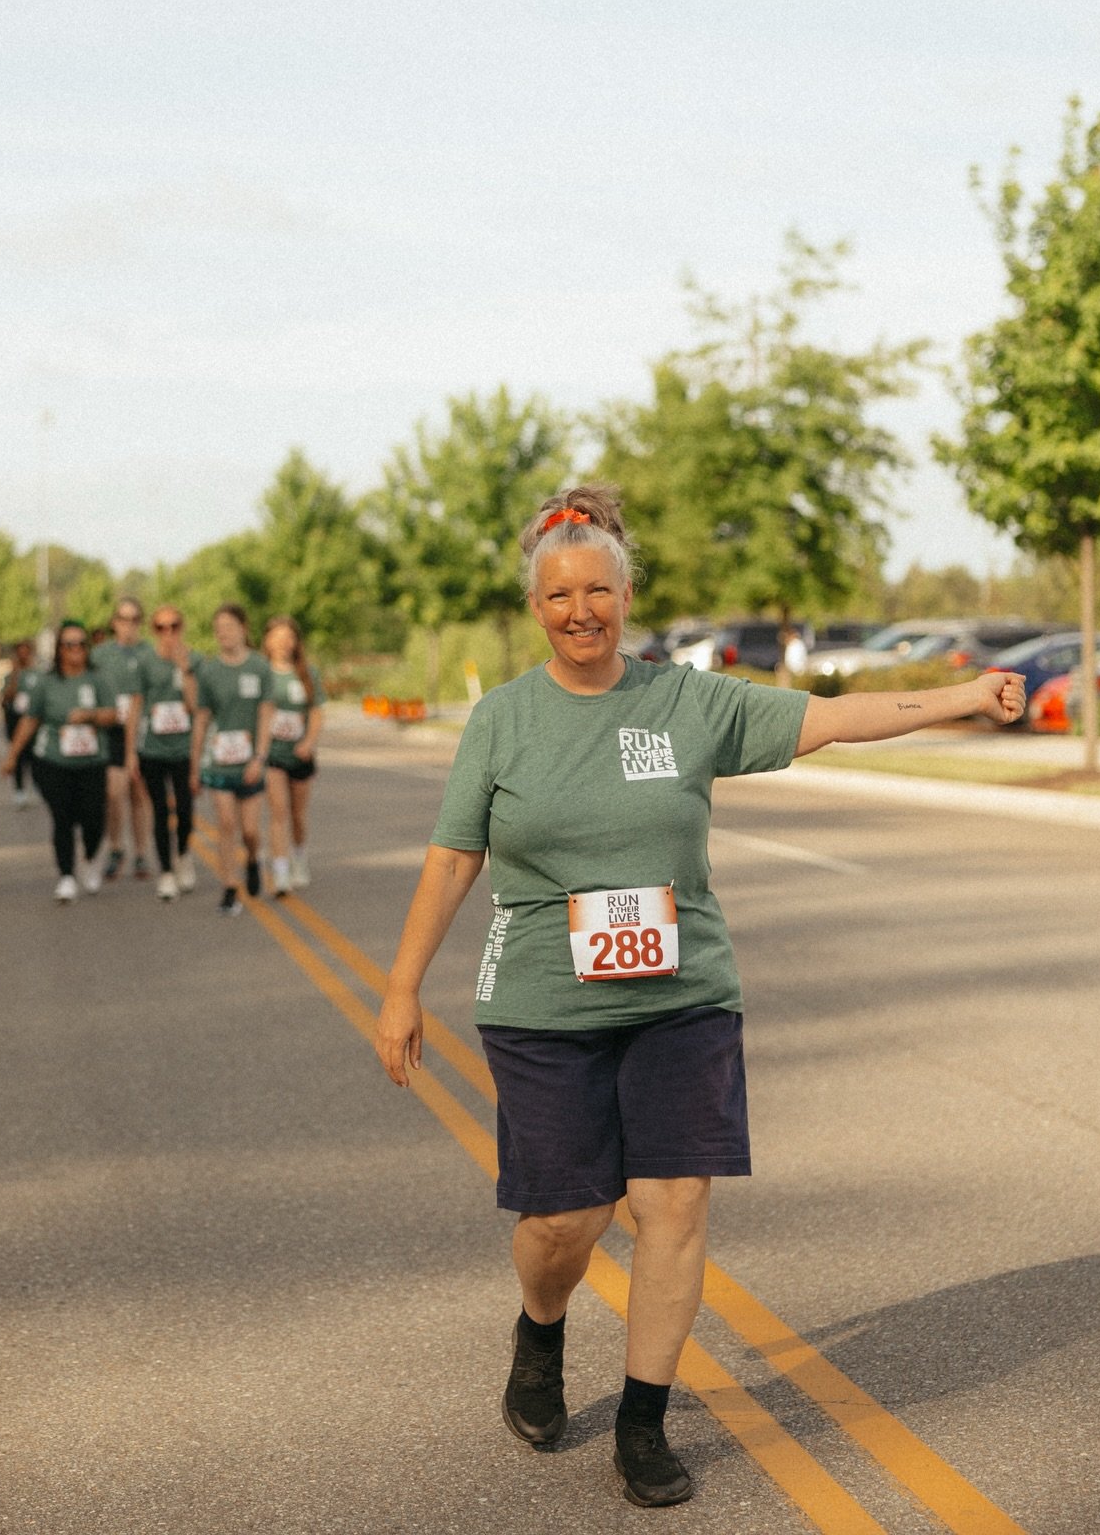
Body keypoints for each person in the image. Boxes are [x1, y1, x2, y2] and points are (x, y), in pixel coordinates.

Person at [375, 484, 1026, 1511]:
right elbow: (454, 857)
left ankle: (644, 1420)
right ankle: (540, 1335)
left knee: (674, 1204)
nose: (580, 610)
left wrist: (961, 699)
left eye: (598, 590)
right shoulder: (502, 721)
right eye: (558, 596)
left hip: (682, 994)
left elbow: (834, 715)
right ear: (534, 606)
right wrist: (401, 988)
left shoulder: (689, 702)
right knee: (566, 1218)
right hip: (546, 1003)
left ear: (628, 594)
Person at [2, 620, 119, 901]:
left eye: (81, 644)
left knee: (93, 818)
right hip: (53, 760)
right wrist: (12, 756)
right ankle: (66, 875)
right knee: (62, 818)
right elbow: (31, 719)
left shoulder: (98, 679)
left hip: (91, 761)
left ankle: (91, 858)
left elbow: (113, 715)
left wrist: (89, 716)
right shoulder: (47, 682)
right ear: (59, 649)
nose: (76, 649)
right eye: (69, 644)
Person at [191, 603, 273, 914]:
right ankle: (229, 885)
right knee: (226, 824)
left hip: (250, 762)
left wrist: (259, 757)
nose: (223, 633)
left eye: (228, 626)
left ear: (243, 628)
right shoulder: (210, 670)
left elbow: (266, 714)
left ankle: (253, 859)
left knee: (250, 831)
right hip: (219, 761)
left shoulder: (259, 667)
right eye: (218, 628)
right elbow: (201, 718)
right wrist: (195, 763)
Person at [126, 607, 201, 900]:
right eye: (161, 627)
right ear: (153, 629)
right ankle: (167, 872)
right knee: (159, 811)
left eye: (174, 626)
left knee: (184, 809)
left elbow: (197, 706)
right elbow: (135, 706)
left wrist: (185, 670)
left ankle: (183, 854)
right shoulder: (145, 662)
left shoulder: (194, 660)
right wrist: (131, 752)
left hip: (184, 749)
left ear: (182, 627)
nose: (168, 633)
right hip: (152, 749)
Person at [260, 615, 325, 899]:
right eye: (277, 637)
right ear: (267, 640)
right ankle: (281, 870)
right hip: (272, 754)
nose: (283, 644)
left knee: (298, 815)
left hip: (299, 754)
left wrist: (309, 741)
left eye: (288, 638)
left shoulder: (307, 672)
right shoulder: (261, 672)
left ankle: (299, 856)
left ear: (296, 642)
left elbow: (317, 711)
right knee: (279, 813)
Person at [91, 598, 153, 881]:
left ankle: (141, 852)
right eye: (123, 619)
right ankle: (116, 847)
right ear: (114, 621)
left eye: (134, 619)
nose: (128, 625)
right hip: (112, 730)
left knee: (139, 793)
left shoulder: (148, 653)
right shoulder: (100, 655)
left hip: (142, 729)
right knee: (113, 793)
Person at [0, 638, 41, 808]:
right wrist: (16, 673)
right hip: (15, 719)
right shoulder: (11, 675)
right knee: (18, 755)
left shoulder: (38, 674)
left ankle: (38, 787)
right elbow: (6, 696)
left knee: (35, 757)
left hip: (33, 719)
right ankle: (19, 790)